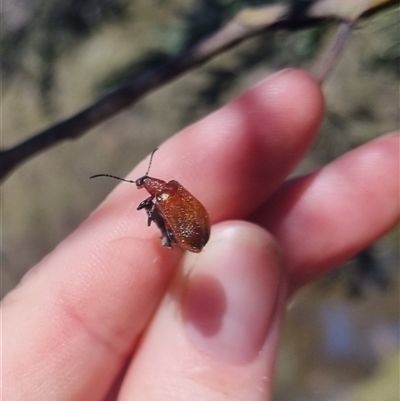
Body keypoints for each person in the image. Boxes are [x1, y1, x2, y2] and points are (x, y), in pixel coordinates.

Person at [3, 69, 399, 400]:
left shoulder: (167, 194)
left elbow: (182, 217)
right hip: (195, 229)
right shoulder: (167, 192)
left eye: (146, 185)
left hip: (197, 232)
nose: (146, 187)